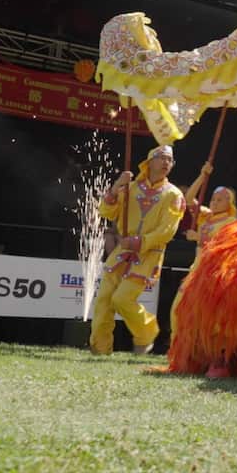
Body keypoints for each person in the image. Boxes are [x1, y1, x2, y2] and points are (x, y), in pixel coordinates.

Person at [90, 145, 185, 355]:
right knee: (104, 299)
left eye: (170, 160)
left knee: (121, 298)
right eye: (161, 157)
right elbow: (106, 211)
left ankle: (146, 332)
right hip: (122, 252)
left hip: (148, 254)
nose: (166, 162)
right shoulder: (130, 188)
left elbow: (167, 231)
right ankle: (100, 348)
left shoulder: (174, 195)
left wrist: (140, 242)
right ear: (149, 162)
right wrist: (115, 189)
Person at [170, 162, 237, 346]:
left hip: (215, 274)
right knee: (178, 308)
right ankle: (179, 348)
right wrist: (202, 175)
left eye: (220, 199)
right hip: (196, 270)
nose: (215, 202)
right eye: (213, 199)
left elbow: (224, 245)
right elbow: (188, 198)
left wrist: (198, 239)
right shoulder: (205, 216)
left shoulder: (232, 221)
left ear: (230, 203)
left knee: (210, 316)